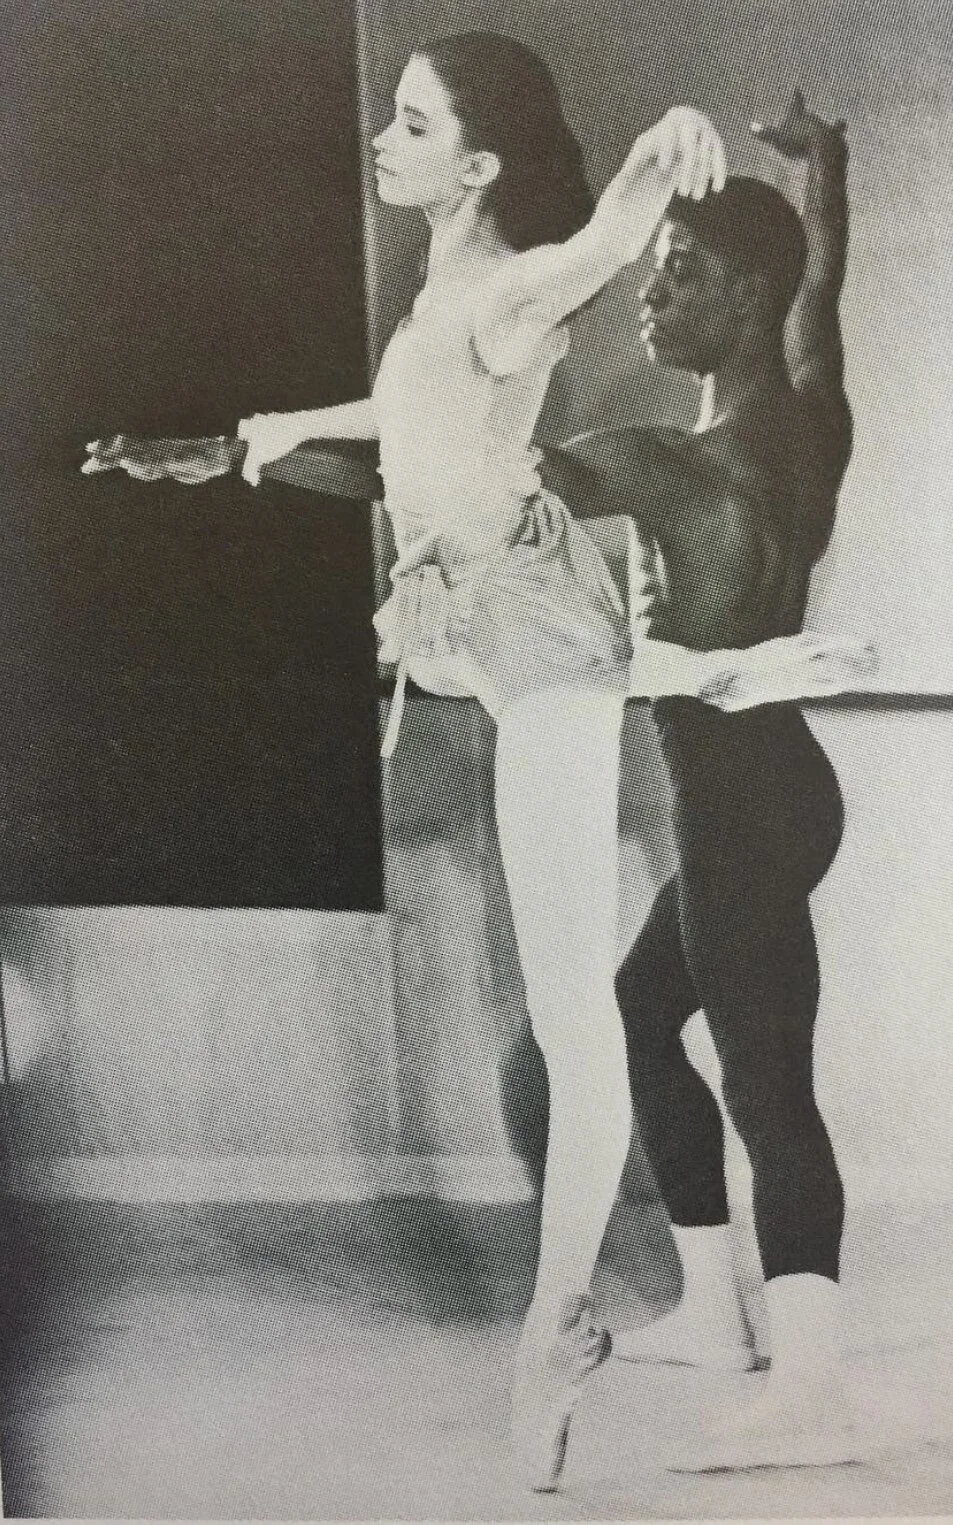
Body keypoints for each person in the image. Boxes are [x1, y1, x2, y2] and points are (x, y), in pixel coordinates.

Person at [82, 31, 727, 1491]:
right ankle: (565, 1315)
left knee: (574, 1018)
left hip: (542, 638)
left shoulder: (507, 283)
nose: (384, 137)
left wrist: (654, 139)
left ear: (479, 162)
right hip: (464, 612)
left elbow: (605, 244)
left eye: (414, 122)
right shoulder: (445, 290)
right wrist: (249, 439)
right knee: (567, 1009)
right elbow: (416, 419)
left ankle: (557, 1325)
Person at [537, 91, 873, 1471]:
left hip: (742, 806)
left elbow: (460, 480)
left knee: (769, 1086)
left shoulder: (673, 466)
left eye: (672, 278)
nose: (644, 301)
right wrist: (828, 168)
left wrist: (258, 462)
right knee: (637, 1017)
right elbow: (821, 276)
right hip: (779, 794)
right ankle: (716, 1318)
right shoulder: (810, 417)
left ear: (739, 296)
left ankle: (812, 1395)